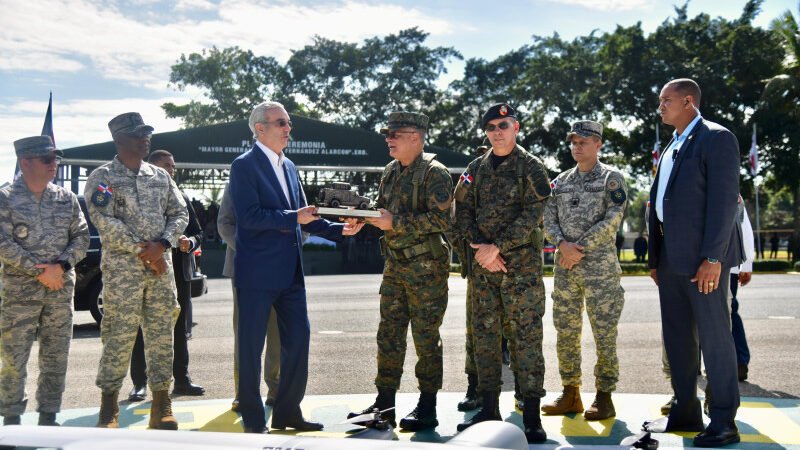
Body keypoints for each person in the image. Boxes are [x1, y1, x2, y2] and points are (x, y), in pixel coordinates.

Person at [229, 101, 363, 434]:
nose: (289, 129)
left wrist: (339, 231)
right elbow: (248, 218)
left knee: (299, 341)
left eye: (288, 123)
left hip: (290, 275)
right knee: (250, 351)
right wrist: (294, 218)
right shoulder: (243, 166)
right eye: (281, 123)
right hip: (257, 275)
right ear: (260, 128)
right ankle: (254, 423)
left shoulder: (289, 165)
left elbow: (307, 216)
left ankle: (287, 412)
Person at [644, 79, 743, 448]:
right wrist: (656, 258)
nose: (660, 107)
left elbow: (724, 203)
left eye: (666, 100)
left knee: (715, 340)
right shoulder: (672, 144)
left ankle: (723, 421)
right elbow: (661, 203)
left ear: (688, 101)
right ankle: (685, 410)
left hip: (705, 260)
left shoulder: (716, 138)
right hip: (671, 258)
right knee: (679, 339)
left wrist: (714, 257)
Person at [347, 112, 453, 431]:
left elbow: (443, 221)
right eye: (388, 134)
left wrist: (396, 223)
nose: (389, 139)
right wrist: (360, 218)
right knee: (389, 336)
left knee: (425, 338)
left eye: (396, 134)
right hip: (395, 266)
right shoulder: (391, 171)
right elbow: (383, 210)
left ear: (416, 138)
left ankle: (427, 406)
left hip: (427, 271)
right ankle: (384, 405)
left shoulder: (436, 173)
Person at [453, 103, 551, 443]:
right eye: (492, 126)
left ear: (516, 127)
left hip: (519, 269)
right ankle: (489, 408)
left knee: (526, 339)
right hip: (484, 269)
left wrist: (499, 246)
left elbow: (534, 212)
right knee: (485, 338)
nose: (497, 130)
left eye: (504, 124)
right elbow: (461, 210)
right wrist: (481, 247)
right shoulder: (474, 168)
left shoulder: (531, 166)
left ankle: (532, 415)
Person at [86, 112, 188, 430]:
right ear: (119, 140)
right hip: (122, 274)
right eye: (137, 134)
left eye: (147, 133)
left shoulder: (159, 176)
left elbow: (179, 211)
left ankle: (162, 406)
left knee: (161, 337)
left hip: (161, 272)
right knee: (118, 337)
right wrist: (145, 251)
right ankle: (108, 408)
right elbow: (104, 222)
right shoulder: (102, 178)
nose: (146, 138)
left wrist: (164, 244)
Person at [0, 136, 89, 426]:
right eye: (48, 160)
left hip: (59, 292)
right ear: (25, 162)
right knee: (14, 358)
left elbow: (81, 237)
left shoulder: (66, 198)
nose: (55, 165)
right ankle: (11, 420)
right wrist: (39, 270)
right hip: (19, 293)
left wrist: (61, 265)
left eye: (56, 159)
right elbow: (2, 242)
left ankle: (49, 417)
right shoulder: (6, 198)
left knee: (56, 356)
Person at [542, 120, 627, 421]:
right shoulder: (560, 182)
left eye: (584, 141)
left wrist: (577, 248)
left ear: (598, 144)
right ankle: (570, 393)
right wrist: (561, 244)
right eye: (574, 141)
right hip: (565, 270)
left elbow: (613, 220)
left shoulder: (611, 179)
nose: (577, 146)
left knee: (604, 334)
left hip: (599, 271)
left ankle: (604, 396)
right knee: (566, 332)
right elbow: (547, 218)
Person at [127, 150, 205, 402]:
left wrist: (189, 242)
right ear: (152, 167)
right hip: (146, 269)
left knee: (179, 328)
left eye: (173, 166)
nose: (171, 170)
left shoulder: (180, 197)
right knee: (141, 328)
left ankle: (181, 379)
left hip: (178, 273)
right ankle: (140, 383)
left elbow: (198, 233)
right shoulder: (139, 197)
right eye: (166, 166)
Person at [217, 181, 281, 412]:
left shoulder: (287, 178)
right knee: (246, 334)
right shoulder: (236, 183)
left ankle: (275, 387)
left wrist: (285, 249)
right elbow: (225, 224)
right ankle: (244, 392)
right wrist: (254, 252)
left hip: (280, 267)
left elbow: (302, 221)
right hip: (246, 268)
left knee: (277, 333)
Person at [730, 196, 755, 382]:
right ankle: (739, 361)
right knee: (729, 313)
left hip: (725, 266)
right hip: (724, 265)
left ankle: (739, 362)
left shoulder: (728, 187)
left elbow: (742, 225)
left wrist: (746, 265)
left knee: (728, 313)